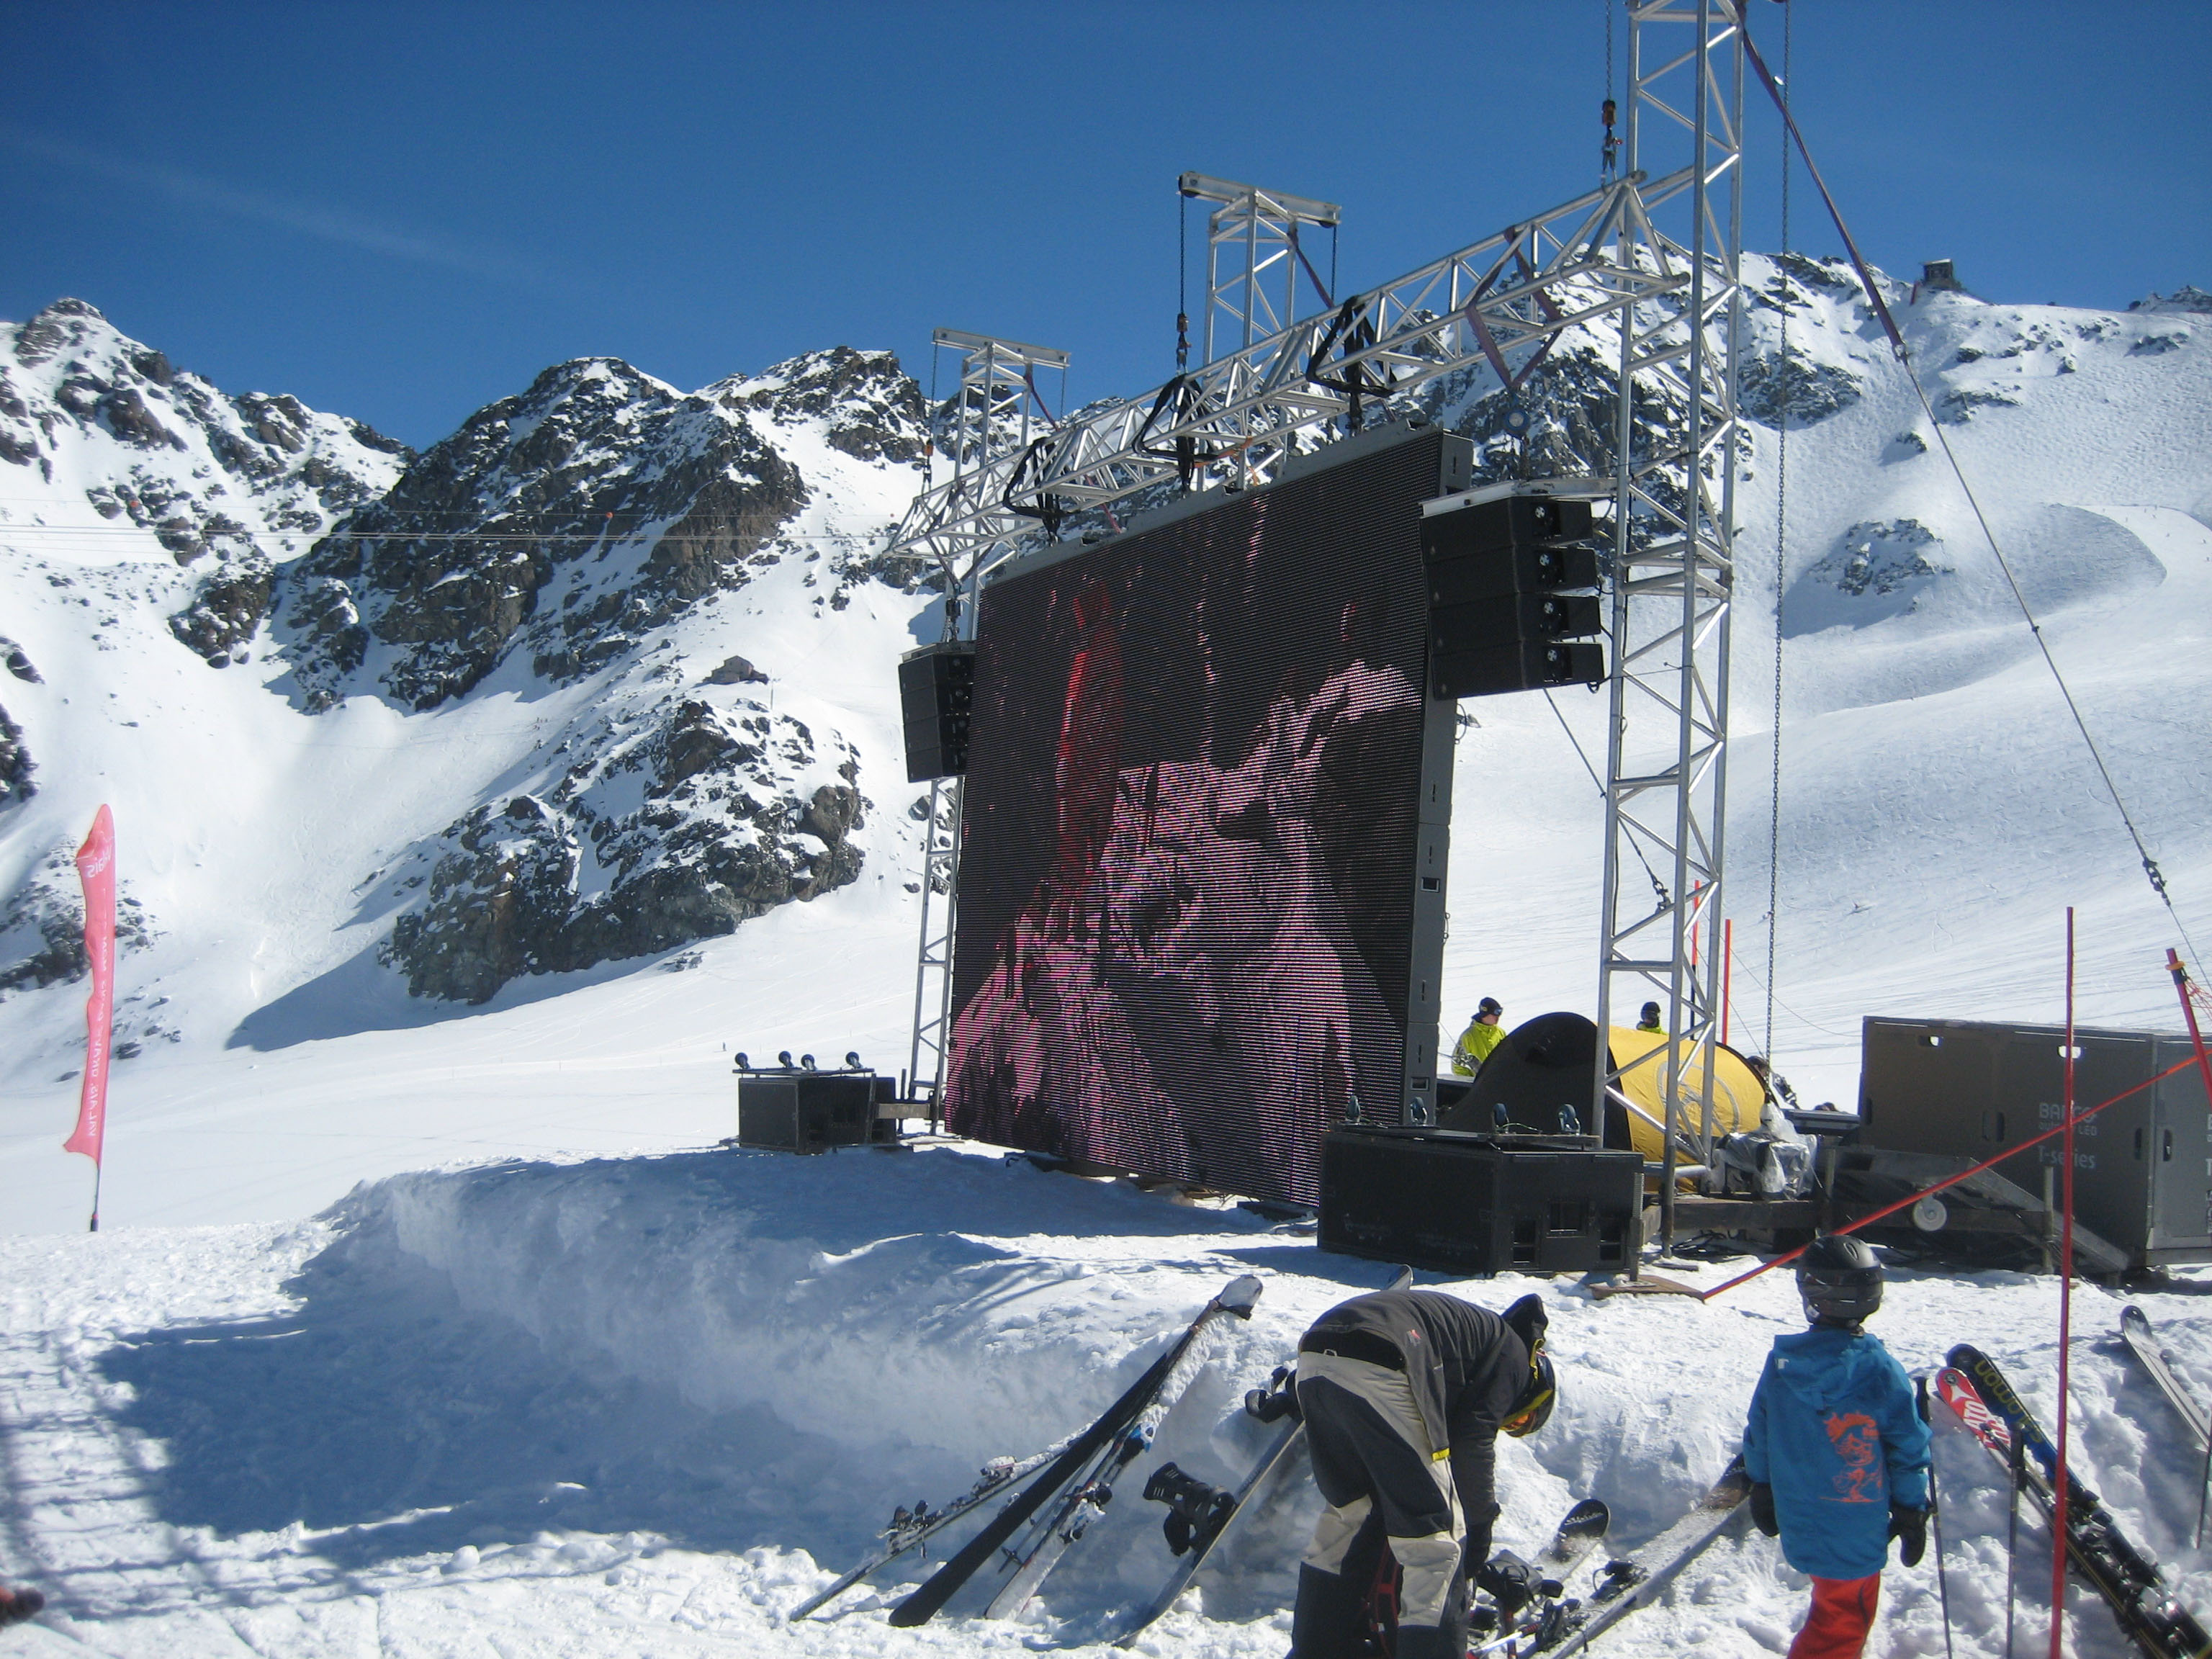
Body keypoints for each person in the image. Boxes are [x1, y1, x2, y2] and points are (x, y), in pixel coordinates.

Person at [1288, 1287, 1555, 1659]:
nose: (1512, 1423)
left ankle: (1317, 1651)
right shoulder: (1514, 1354)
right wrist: (1477, 1532)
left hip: (1315, 1355)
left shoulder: (1474, 1337)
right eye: (1519, 1421)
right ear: (1535, 1387)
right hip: (1386, 1360)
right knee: (1437, 1545)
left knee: (1351, 1515)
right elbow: (1472, 1443)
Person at [1743, 1236, 1930, 1659]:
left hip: (1802, 1517)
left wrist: (1762, 1485)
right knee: (1843, 1623)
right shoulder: (1879, 1370)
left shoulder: (1784, 1365)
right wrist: (1911, 1508)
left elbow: (1760, 1431)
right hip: (1854, 1523)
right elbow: (1908, 1446)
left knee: (1834, 1610)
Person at [1450, 997, 1506, 1076]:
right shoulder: (1469, 1036)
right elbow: (1458, 1064)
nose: (1498, 1017)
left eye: (1500, 1012)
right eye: (1495, 1013)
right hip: (1477, 1085)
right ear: (1485, 1014)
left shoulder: (1501, 1033)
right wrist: (1468, 1084)